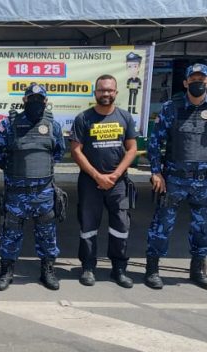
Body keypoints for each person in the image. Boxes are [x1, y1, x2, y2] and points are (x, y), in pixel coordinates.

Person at [0, 83, 65, 291]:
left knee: (47, 234)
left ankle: (48, 271)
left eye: (40, 100)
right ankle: (6, 272)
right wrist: (12, 167)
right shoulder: (9, 124)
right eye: (31, 99)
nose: (36, 103)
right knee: (10, 234)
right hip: (16, 193)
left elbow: (58, 153)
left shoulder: (53, 126)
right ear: (24, 101)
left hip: (44, 193)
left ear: (46, 101)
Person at [70, 74, 138, 288]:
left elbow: (132, 148)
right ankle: (88, 268)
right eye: (102, 90)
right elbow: (75, 151)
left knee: (120, 225)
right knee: (88, 226)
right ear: (95, 93)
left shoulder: (125, 117)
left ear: (116, 93)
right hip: (90, 182)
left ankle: (118, 269)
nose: (106, 93)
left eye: (109, 90)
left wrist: (115, 175)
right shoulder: (83, 118)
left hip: (117, 183)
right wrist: (97, 175)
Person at [145, 63, 207, 290]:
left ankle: (197, 270)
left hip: (203, 180)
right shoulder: (172, 107)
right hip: (174, 179)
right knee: (162, 225)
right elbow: (155, 143)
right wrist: (155, 172)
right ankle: (152, 269)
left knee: (202, 228)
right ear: (186, 82)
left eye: (202, 78)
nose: (198, 82)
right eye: (193, 79)